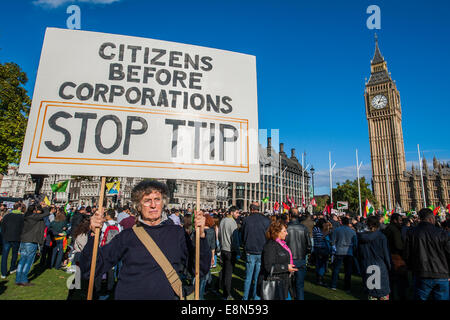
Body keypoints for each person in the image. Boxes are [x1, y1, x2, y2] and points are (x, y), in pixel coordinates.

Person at [80, 180, 211, 300]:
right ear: (138, 206)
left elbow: (199, 269)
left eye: (157, 199)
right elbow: (91, 269)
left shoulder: (177, 233)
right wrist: (93, 234)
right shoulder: (127, 236)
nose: (153, 205)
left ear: (163, 203)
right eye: (147, 200)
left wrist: (201, 237)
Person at [403, 208, 450, 300]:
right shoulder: (443, 233)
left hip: (421, 274)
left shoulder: (411, 233)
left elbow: (407, 255)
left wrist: (413, 269)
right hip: (442, 275)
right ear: (432, 219)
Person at [258, 221, 298, 300]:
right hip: (274, 284)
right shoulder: (270, 246)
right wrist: (286, 267)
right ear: (277, 232)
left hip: (283, 283)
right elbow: (268, 267)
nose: (287, 233)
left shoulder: (282, 244)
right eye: (284, 231)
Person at [241, 202, 271, 300]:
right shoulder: (266, 220)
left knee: (249, 277)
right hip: (259, 250)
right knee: (257, 277)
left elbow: (242, 235)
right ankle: (255, 297)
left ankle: (246, 298)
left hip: (252, 250)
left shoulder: (247, 220)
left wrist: (244, 245)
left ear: (251, 209)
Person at [357, 215, 391, 300]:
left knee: (372, 295)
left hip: (367, 266)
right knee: (383, 294)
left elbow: (358, 254)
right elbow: (386, 254)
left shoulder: (361, 237)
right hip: (380, 267)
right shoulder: (381, 237)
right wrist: (389, 266)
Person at [16, 202, 50, 286]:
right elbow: (47, 213)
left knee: (22, 259)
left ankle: (18, 279)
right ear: (35, 211)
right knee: (28, 261)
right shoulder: (34, 217)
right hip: (31, 241)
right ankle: (23, 279)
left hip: (24, 240)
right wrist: (45, 207)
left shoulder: (27, 216)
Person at [285, 208, 311, 300]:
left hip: (290, 260)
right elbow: (309, 246)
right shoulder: (303, 228)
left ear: (290, 215)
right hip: (300, 259)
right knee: (299, 286)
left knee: (288, 285)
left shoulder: (286, 228)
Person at [382, 213, 408, 300]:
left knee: (391, 280)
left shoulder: (388, 228)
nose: (401, 222)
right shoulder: (395, 230)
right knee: (400, 281)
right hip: (396, 258)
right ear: (394, 220)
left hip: (389, 256)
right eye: (400, 220)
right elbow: (398, 245)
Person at [329, 216, 358, 291]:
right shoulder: (352, 231)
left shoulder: (337, 230)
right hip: (349, 252)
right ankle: (347, 287)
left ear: (341, 222)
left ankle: (334, 285)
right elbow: (355, 243)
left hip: (339, 251)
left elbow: (333, 241)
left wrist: (333, 248)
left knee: (336, 269)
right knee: (348, 270)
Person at [218, 206, 240, 300]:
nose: (238, 215)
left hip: (223, 248)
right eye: (237, 213)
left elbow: (219, 235)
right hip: (230, 250)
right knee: (228, 273)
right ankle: (226, 293)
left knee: (224, 269)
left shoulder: (223, 220)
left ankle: (218, 286)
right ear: (232, 212)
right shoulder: (232, 222)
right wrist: (238, 251)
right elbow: (235, 239)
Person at [1, 202, 24, 278]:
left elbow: (3, 226)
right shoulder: (22, 216)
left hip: (7, 237)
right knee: (14, 254)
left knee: (5, 255)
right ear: (19, 208)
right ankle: (12, 268)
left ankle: (3, 273)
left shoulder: (7, 216)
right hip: (16, 237)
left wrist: (4, 235)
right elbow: (23, 228)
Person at [312, 218, 332, 286]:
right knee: (322, 264)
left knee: (319, 263)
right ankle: (320, 279)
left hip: (318, 248)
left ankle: (319, 278)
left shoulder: (315, 229)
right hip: (321, 248)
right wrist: (326, 233)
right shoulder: (317, 230)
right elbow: (319, 238)